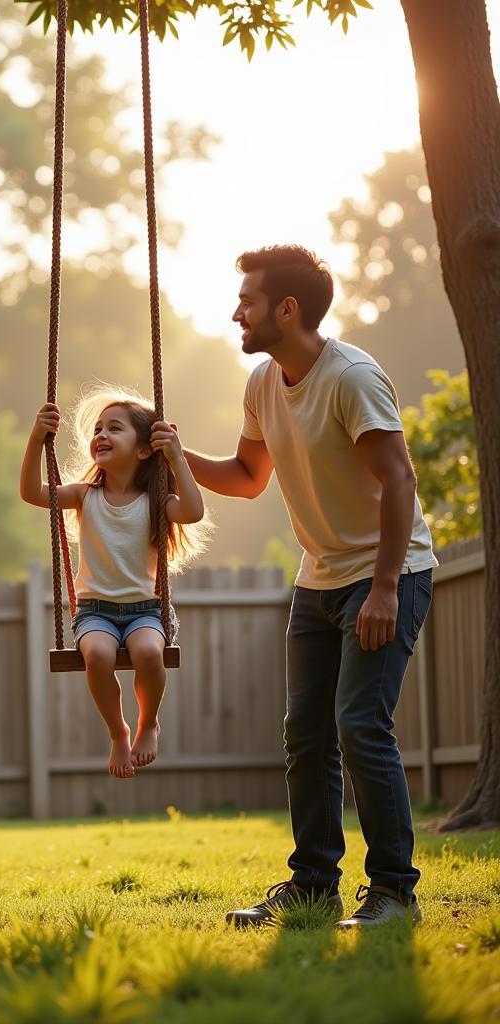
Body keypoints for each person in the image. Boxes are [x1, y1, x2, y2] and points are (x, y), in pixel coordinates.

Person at [176, 245, 437, 929]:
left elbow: (400, 480)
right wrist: (172, 453)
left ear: (286, 309)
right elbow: (246, 474)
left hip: (388, 573)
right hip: (318, 579)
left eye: (248, 301)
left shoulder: (351, 377)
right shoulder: (264, 381)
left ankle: (393, 894)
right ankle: (314, 883)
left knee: (359, 727)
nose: (237, 312)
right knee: (305, 736)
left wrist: (382, 589)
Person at [20, 386, 208, 779]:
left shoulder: (155, 499)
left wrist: (176, 456)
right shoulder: (85, 496)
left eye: (115, 429)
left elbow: (192, 511)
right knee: (99, 657)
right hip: (95, 612)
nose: (101, 435)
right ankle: (118, 731)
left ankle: (147, 723)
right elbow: (33, 493)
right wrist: (37, 439)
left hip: (145, 610)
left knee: (148, 654)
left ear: (143, 449)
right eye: (98, 429)